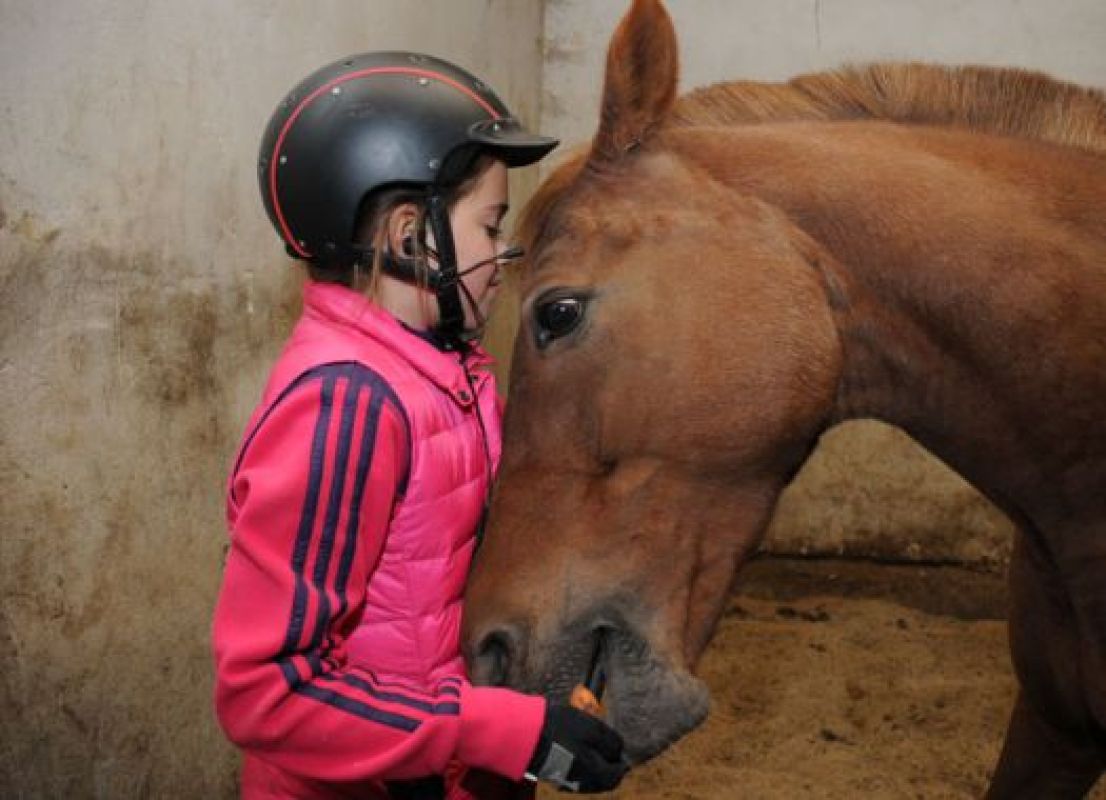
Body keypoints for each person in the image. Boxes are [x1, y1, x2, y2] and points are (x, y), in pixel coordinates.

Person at [211, 51, 628, 800]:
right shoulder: (347, 405)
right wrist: (497, 732)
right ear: (410, 238)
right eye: (490, 226)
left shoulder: (446, 373)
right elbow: (266, 695)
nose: (503, 257)